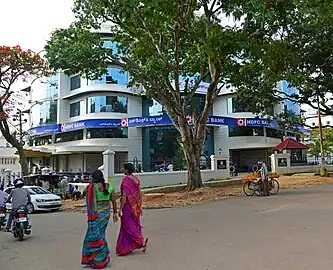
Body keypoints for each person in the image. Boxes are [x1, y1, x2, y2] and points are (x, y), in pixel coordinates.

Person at [81, 170, 118, 269]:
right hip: (106, 214)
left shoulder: (91, 187)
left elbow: (83, 193)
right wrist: (115, 213)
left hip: (96, 214)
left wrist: (90, 184)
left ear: (93, 178)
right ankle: (102, 257)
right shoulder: (109, 186)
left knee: (95, 236)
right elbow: (114, 201)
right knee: (101, 234)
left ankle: (99, 260)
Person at [116, 163, 148, 256]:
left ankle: (141, 241)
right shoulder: (136, 179)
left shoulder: (126, 180)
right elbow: (139, 193)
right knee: (134, 224)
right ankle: (125, 248)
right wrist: (140, 206)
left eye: (124, 169)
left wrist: (120, 208)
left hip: (128, 207)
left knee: (127, 225)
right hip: (135, 206)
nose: (122, 170)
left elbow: (126, 195)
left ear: (127, 170)